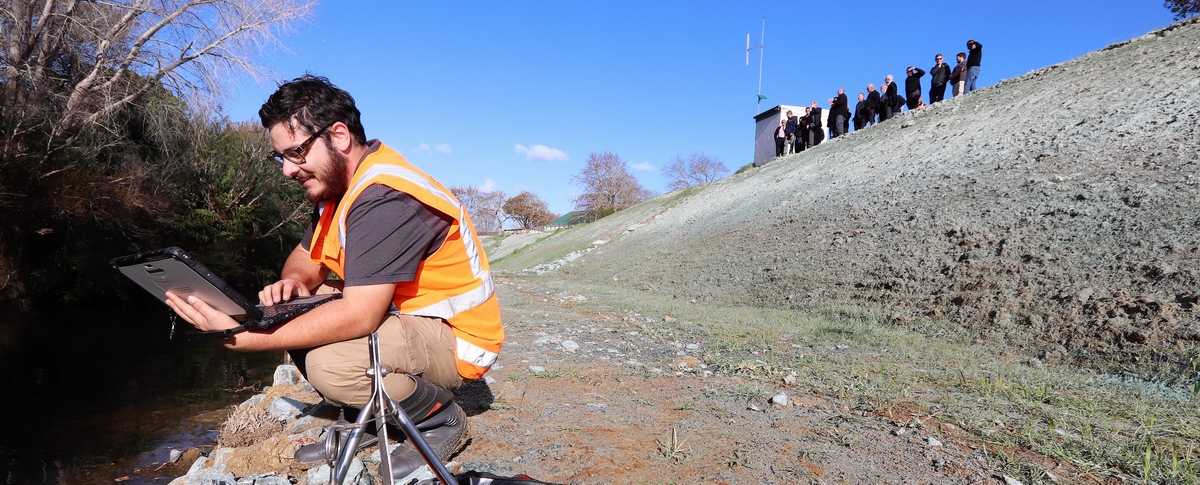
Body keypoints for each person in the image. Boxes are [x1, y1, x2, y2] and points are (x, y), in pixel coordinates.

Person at [164, 75, 505, 480]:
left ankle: (438, 419)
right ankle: (368, 414)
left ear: (339, 135)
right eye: (281, 158)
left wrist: (247, 338)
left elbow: (359, 316)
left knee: (331, 364)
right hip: (407, 323)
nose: (287, 170)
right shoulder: (339, 188)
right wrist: (294, 283)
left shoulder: (385, 195)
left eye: (296, 153)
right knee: (292, 312)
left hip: (456, 339)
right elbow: (306, 257)